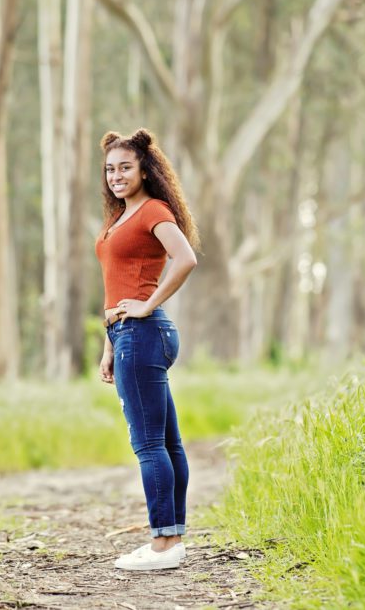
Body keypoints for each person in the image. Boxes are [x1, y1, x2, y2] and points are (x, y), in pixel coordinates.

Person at [94, 128, 200, 571]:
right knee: (168, 442)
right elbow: (116, 286)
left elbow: (186, 258)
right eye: (110, 169)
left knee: (149, 444)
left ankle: (163, 544)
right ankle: (171, 539)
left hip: (142, 332)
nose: (116, 176)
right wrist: (108, 345)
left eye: (125, 167)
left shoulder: (153, 209)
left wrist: (146, 305)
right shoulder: (121, 216)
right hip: (130, 335)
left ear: (144, 170)